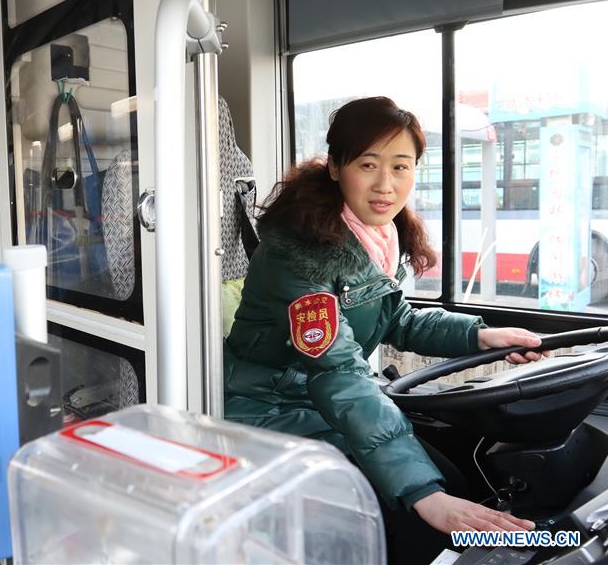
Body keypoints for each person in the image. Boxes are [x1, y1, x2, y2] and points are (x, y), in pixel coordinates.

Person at [223, 97, 545, 564]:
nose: (385, 185)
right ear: (335, 167)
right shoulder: (296, 254)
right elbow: (337, 370)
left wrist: (481, 335)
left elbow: (398, 320)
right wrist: (420, 492)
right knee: (414, 509)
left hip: (324, 400)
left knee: (456, 473)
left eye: (401, 166)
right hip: (266, 406)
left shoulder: (376, 235)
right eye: (368, 165)